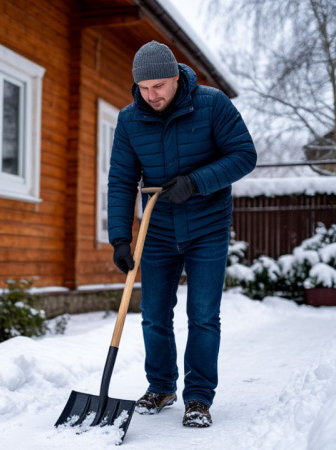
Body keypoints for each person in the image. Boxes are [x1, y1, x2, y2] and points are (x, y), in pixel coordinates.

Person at [107, 41, 256, 428]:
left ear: (175, 78)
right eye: (143, 87)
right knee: (154, 315)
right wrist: (120, 237)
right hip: (156, 229)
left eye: (158, 86)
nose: (151, 95)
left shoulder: (211, 104)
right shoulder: (129, 120)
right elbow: (122, 180)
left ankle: (199, 398)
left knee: (203, 315)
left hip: (207, 225)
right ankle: (161, 386)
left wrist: (195, 182)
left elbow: (244, 155)